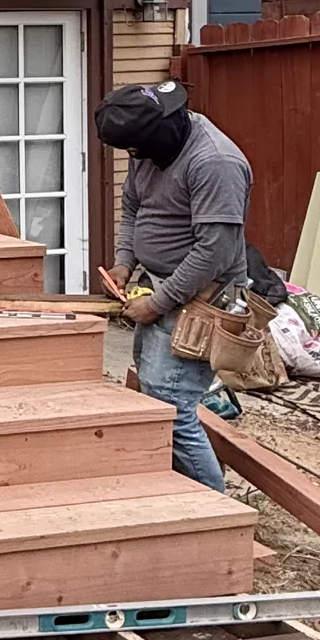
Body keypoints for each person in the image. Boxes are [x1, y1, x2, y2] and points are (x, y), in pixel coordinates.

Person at [95, 79, 252, 492]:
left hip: (204, 298)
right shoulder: (150, 149)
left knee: (171, 404)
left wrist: (159, 302)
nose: (133, 159)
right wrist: (125, 262)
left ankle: (213, 509)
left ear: (159, 132)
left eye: (134, 150)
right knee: (154, 391)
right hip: (162, 288)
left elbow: (213, 252)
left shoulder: (215, 164)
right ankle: (177, 492)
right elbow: (133, 206)